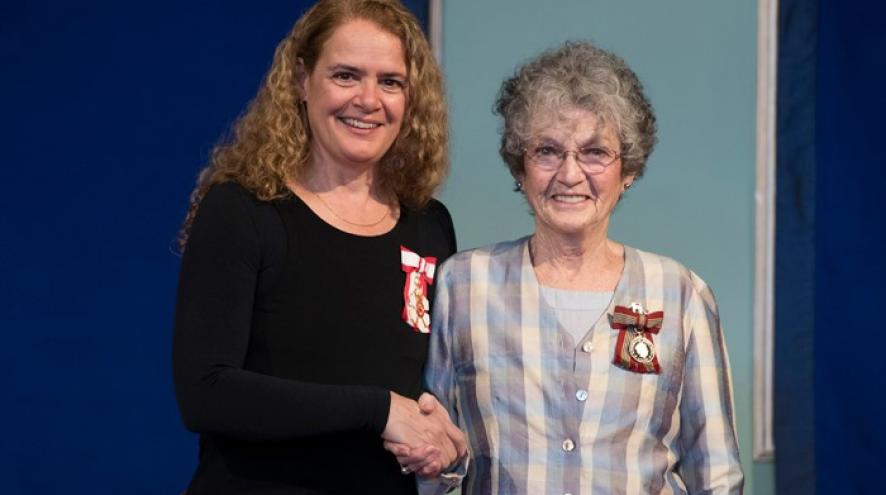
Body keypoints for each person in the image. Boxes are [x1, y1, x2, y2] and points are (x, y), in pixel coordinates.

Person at [406, 41, 744, 494]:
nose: (569, 173)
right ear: (519, 169)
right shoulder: (464, 285)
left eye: (594, 152)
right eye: (547, 151)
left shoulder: (680, 294)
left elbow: (716, 475)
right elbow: (432, 463)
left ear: (629, 170)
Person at [172, 1, 466, 493]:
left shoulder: (429, 226)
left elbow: (427, 391)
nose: (369, 100)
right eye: (346, 76)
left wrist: (441, 441)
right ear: (301, 81)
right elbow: (206, 392)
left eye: (390, 81)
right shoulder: (244, 209)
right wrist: (379, 410)